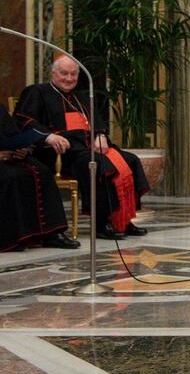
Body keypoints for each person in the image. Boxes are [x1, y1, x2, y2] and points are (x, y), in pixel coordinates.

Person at [14, 55, 149, 240]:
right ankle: (102, 222)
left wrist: (100, 136)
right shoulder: (37, 92)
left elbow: (98, 124)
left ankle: (123, 219)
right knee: (96, 164)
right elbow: (23, 120)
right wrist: (48, 136)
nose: (69, 79)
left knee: (130, 159)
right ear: (53, 73)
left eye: (73, 74)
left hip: (86, 149)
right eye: (64, 74)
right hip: (58, 153)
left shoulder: (83, 97)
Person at [0, 105, 80, 252]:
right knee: (11, 176)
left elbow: (13, 134)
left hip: (8, 155)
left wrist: (23, 150)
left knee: (42, 172)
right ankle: (13, 237)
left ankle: (51, 234)